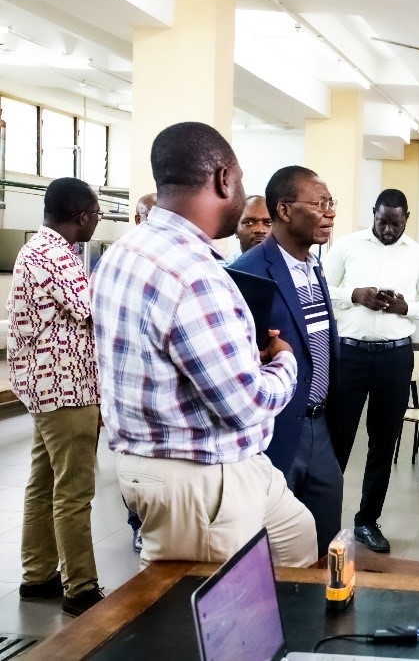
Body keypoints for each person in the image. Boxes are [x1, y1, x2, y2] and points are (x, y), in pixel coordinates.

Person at [91, 121, 317, 568]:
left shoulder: (124, 251)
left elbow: (167, 356)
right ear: (222, 180)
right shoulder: (195, 274)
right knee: (215, 620)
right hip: (198, 476)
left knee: (298, 539)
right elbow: (246, 404)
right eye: (241, 182)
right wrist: (285, 363)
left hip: (203, 460)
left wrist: (241, 356)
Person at [230, 166, 347, 556]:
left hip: (321, 427)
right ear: (284, 210)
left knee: (326, 540)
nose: (329, 213)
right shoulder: (247, 274)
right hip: (275, 431)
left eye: (331, 204)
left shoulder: (315, 268)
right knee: (273, 550)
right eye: (319, 204)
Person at [322, 188, 419, 553]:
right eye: (382, 221)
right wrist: (354, 295)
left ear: (407, 218)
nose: (389, 229)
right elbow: (321, 289)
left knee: (383, 441)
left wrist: (406, 307)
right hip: (350, 354)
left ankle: (367, 521)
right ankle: (324, 518)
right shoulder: (346, 246)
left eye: (396, 223)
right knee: (337, 440)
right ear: (372, 213)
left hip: (394, 357)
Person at [6, 177, 105, 616]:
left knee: (43, 482)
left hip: (46, 389)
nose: (96, 223)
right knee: (74, 491)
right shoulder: (55, 256)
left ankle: (38, 575)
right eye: (96, 216)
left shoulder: (38, 250)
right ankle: (80, 588)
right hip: (67, 390)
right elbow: (94, 311)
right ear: (82, 216)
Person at [125, 190, 157, 553]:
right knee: (134, 468)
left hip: (158, 385)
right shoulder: (122, 261)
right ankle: (136, 524)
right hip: (130, 384)